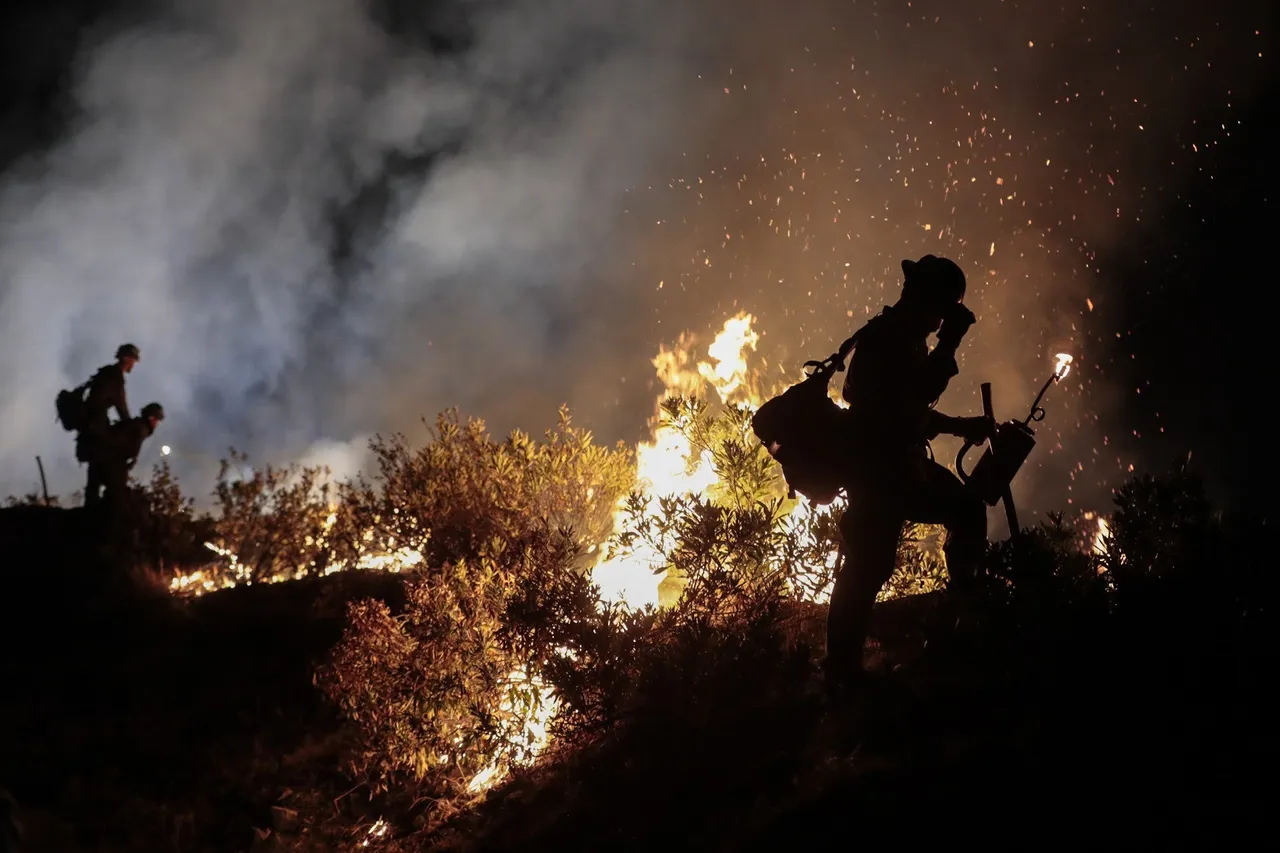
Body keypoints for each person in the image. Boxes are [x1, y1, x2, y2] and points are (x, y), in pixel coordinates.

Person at [825, 254, 994, 691]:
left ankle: (958, 624)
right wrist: (950, 345)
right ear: (926, 300)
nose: (941, 320)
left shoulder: (902, 337)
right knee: (867, 565)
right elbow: (910, 395)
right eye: (941, 309)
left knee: (965, 509)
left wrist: (958, 426)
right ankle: (842, 675)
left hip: (897, 468)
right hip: (878, 472)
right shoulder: (889, 338)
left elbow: (909, 409)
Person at [80, 343, 140, 507]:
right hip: (96, 425)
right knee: (102, 461)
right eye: (133, 360)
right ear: (126, 358)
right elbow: (120, 405)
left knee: (95, 464)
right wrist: (131, 426)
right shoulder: (115, 376)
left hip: (91, 423)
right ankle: (95, 506)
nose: (133, 364)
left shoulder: (106, 372)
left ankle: (91, 502)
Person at [84, 402, 164, 514]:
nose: (157, 424)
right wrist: (131, 461)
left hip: (100, 457)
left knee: (93, 497)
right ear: (151, 418)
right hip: (109, 460)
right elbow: (132, 445)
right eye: (156, 420)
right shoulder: (141, 428)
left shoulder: (135, 424)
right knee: (117, 500)